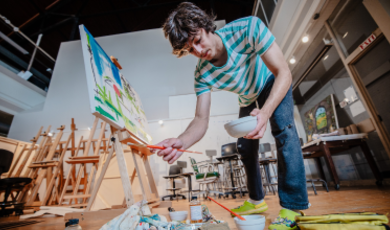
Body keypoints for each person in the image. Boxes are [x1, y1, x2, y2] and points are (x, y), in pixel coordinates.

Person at [157, 2, 309, 229]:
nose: (198, 52)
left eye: (197, 41)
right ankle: (257, 201)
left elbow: (283, 72)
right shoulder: (202, 74)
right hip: (247, 96)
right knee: (245, 148)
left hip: (271, 81)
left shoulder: (248, 28)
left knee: (283, 129)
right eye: (190, 50)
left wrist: (265, 112)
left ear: (205, 25)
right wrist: (181, 141)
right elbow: (201, 119)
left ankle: (293, 206)